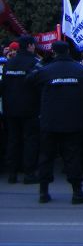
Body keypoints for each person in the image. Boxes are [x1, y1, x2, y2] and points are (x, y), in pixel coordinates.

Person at [27, 41, 83, 204]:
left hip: (50, 120)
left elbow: (28, 80)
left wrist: (41, 62)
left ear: (53, 53)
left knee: (46, 156)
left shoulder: (46, 70)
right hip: (73, 120)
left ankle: (43, 192)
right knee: (72, 157)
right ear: (68, 51)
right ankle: (77, 192)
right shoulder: (80, 69)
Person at [1, 35, 41, 184]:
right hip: (30, 109)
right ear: (30, 46)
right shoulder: (35, 63)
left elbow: (3, 86)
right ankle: (29, 173)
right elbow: (39, 86)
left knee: (13, 139)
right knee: (30, 140)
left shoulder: (9, 64)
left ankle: (12, 173)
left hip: (10, 108)